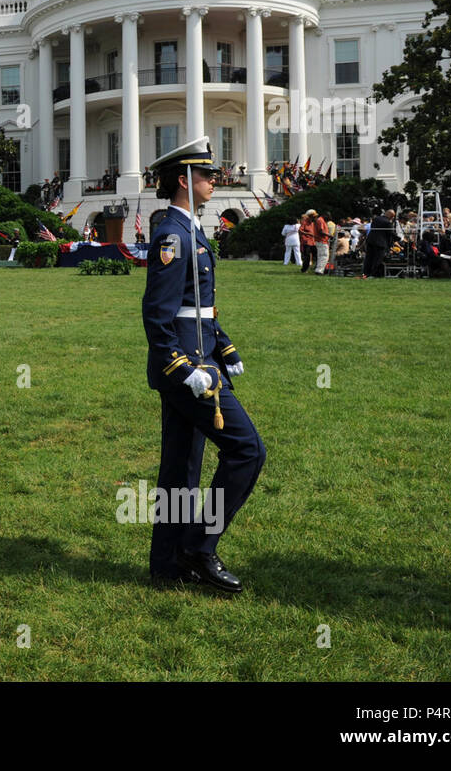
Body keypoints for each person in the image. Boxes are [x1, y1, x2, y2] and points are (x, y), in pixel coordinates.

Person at [141, 137, 266, 593]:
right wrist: (181, 364)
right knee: (247, 450)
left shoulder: (189, 227)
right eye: (207, 175)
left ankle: (167, 565)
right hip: (189, 370)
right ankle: (199, 547)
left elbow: (198, 306)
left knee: (180, 469)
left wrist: (224, 345)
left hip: (201, 358)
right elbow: (158, 312)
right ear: (183, 180)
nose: (215, 180)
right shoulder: (173, 234)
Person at [363, 208, 392, 278]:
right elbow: (389, 234)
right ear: (390, 216)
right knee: (377, 259)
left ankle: (366, 274)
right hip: (380, 243)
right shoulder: (388, 222)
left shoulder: (376, 219)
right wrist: (391, 244)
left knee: (369, 258)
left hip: (371, 241)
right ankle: (373, 274)